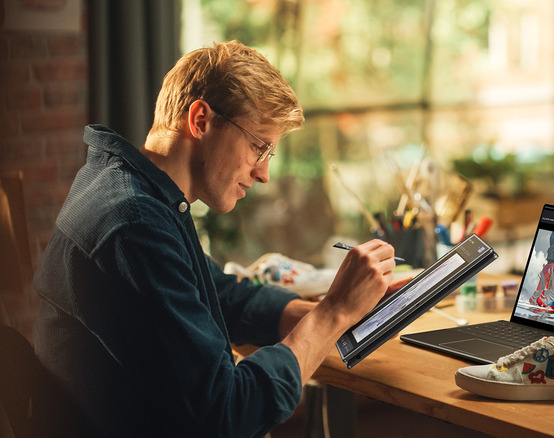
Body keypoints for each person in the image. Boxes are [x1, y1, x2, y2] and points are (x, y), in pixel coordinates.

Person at [33, 41, 404, 437]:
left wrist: (327, 311)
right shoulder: (133, 224)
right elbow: (229, 415)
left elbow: (217, 292)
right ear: (200, 120)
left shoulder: (132, 190)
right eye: (259, 147)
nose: (263, 174)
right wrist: (333, 315)